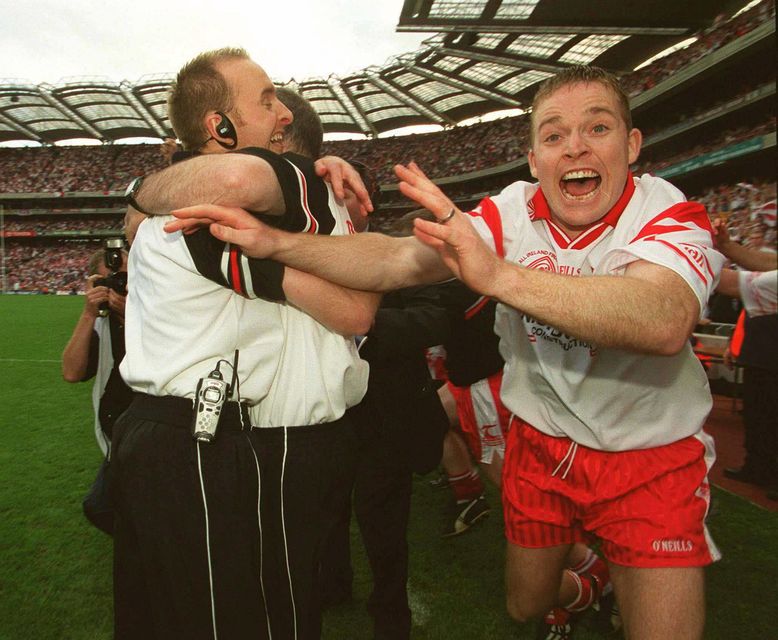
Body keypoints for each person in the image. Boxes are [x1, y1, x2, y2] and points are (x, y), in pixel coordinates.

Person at [167, 65, 726, 640]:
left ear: (631, 145)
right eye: (553, 135)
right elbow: (393, 260)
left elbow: (662, 320)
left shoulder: (666, 211)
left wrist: (499, 276)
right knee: (525, 604)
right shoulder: (513, 210)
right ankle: (587, 587)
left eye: (598, 128)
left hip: (650, 457)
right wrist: (278, 243)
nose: (575, 147)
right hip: (541, 442)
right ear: (534, 160)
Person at [112, 47, 378, 639]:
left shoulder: (204, 202)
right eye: (266, 100)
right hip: (204, 443)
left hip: (198, 438)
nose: (282, 111)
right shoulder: (203, 213)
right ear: (220, 127)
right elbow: (357, 307)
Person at [713, 220, 777, 496]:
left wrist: (684, 254)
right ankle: (757, 467)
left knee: (771, 418)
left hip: (769, 355)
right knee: (757, 415)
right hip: (759, 354)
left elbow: (729, 283)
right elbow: (765, 262)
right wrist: (726, 247)